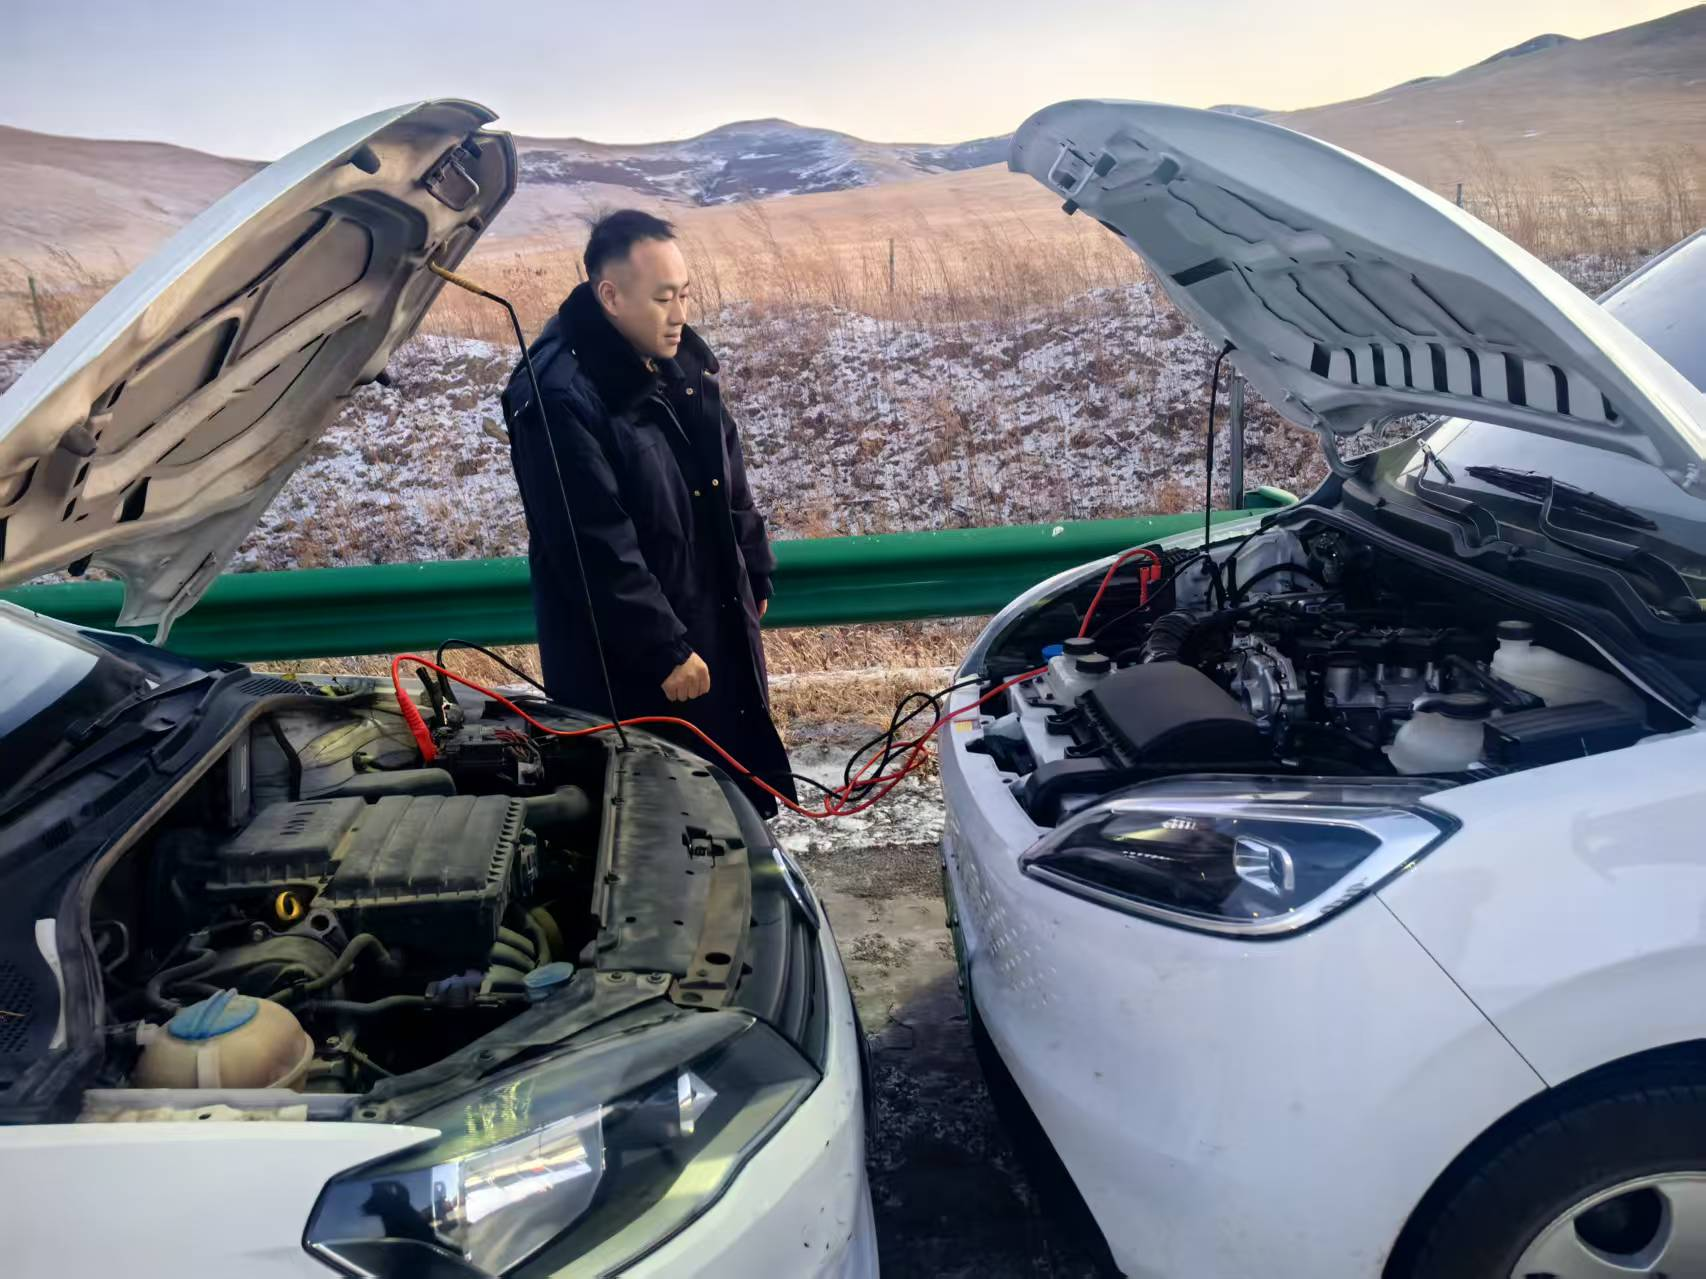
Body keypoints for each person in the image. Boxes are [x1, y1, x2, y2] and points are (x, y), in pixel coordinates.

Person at [500, 209, 795, 816]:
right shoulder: (557, 395)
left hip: (711, 624)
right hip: (632, 667)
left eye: (685, 294)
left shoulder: (679, 364)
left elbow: (728, 479)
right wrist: (662, 648)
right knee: (656, 823)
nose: (679, 313)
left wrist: (755, 571)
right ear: (610, 296)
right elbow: (591, 544)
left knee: (731, 803)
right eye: (663, 298)